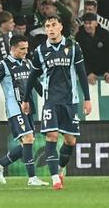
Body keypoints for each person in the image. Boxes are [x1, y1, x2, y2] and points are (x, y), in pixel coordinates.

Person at [21, 15, 91, 191]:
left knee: (70, 141)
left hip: (70, 101)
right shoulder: (40, 50)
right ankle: (54, 179)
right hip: (50, 101)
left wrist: (87, 99)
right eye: (47, 26)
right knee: (51, 136)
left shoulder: (73, 46)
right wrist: (26, 99)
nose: (50, 29)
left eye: (53, 25)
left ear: (60, 27)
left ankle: (59, 169)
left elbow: (82, 73)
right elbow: (32, 76)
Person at [0, 35, 46, 186]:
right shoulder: (3, 65)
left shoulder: (27, 63)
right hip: (15, 108)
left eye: (26, 48)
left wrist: (47, 98)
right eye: (22, 49)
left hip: (28, 107)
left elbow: (35, 83)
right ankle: (32, 178)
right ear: (12, 48)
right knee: (28, 139)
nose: (25, 51)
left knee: (27, 143)